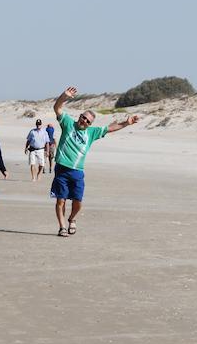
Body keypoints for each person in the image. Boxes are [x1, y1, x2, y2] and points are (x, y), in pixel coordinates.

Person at [51, 86, 139, 237]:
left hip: (77, 171)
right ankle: (62, 226)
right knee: (61, 201)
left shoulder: (91, 133)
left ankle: (72, 218)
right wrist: (64, 96)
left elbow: (110, 128)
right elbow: (57, 108)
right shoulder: (67, 123)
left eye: (87, 120)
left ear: (90, 124)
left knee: (78, 202)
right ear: (79, 116)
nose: (84, 121)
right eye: (83, 117)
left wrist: (127, 123)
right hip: (61, 169)